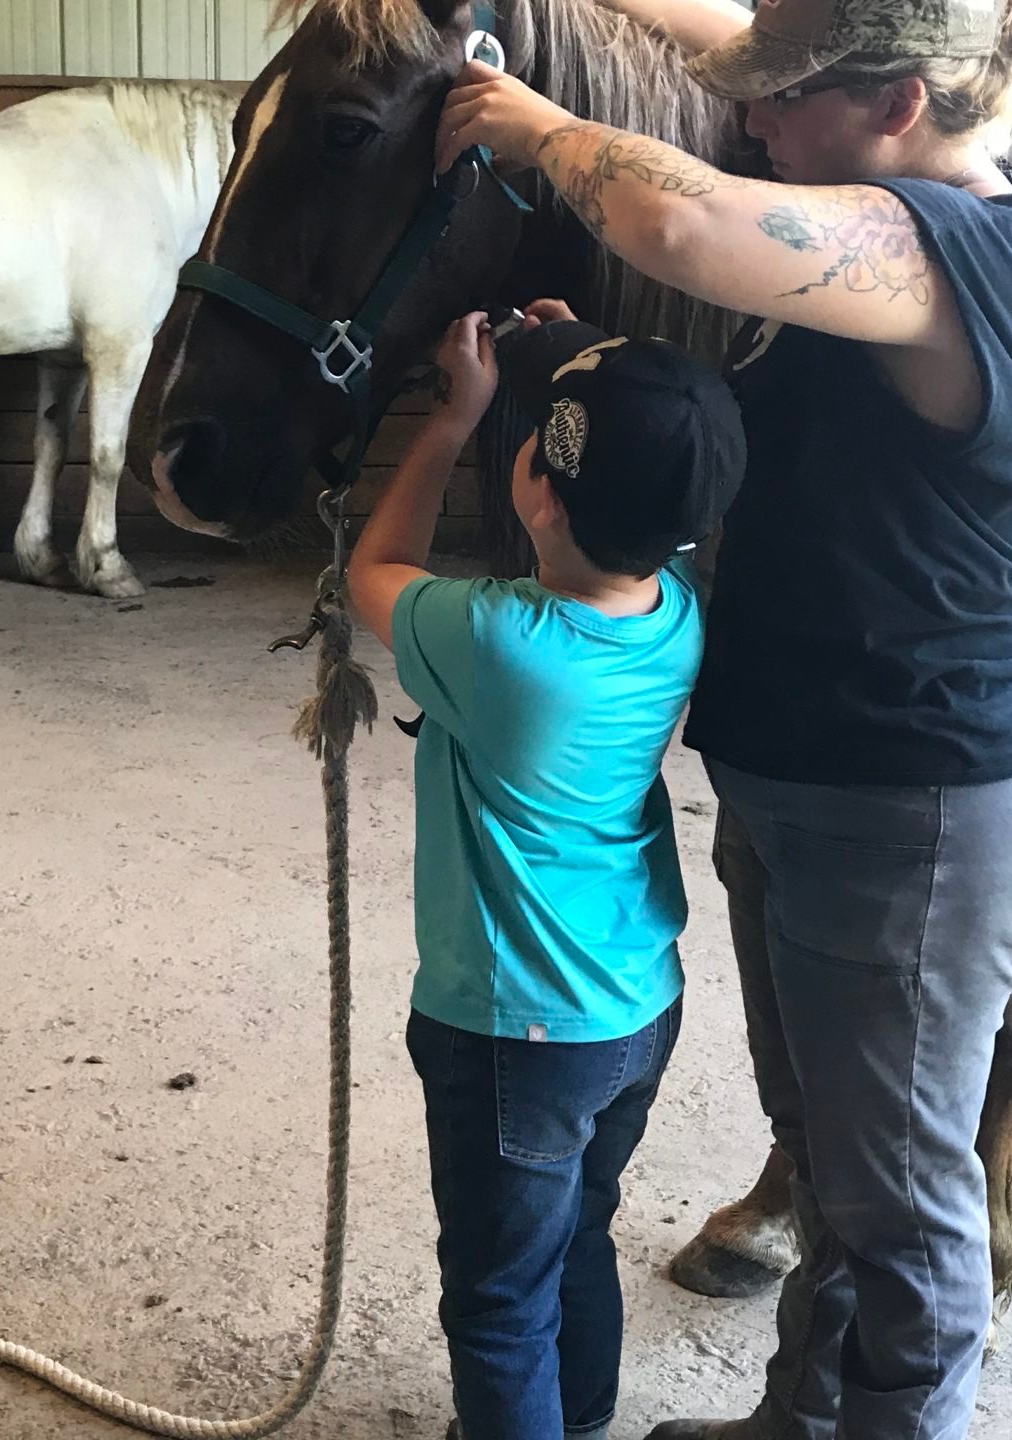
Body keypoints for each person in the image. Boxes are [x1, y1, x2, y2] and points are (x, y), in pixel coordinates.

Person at [439, 0, 1012, 1436]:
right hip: (830, 791)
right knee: (827, 1157)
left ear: (899, 106)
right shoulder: (894, 229)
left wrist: (539, 126)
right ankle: (798, 1424)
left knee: (904, 1214)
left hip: (916, 813)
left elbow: (680, 226)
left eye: (785, 105)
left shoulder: (958, 251)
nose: (751, 126)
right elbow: (744, 37)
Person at [346, 310, 747, 1440]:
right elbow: (649, 455)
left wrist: (452, 416)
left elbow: (376, 566)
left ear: (541, 493)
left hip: (513, 1035)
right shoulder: (677, 612)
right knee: (581, 1229)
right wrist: (589, 365)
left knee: (494, 1301)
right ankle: (582, 1420)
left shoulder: (494, 640)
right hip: (635, 1010)